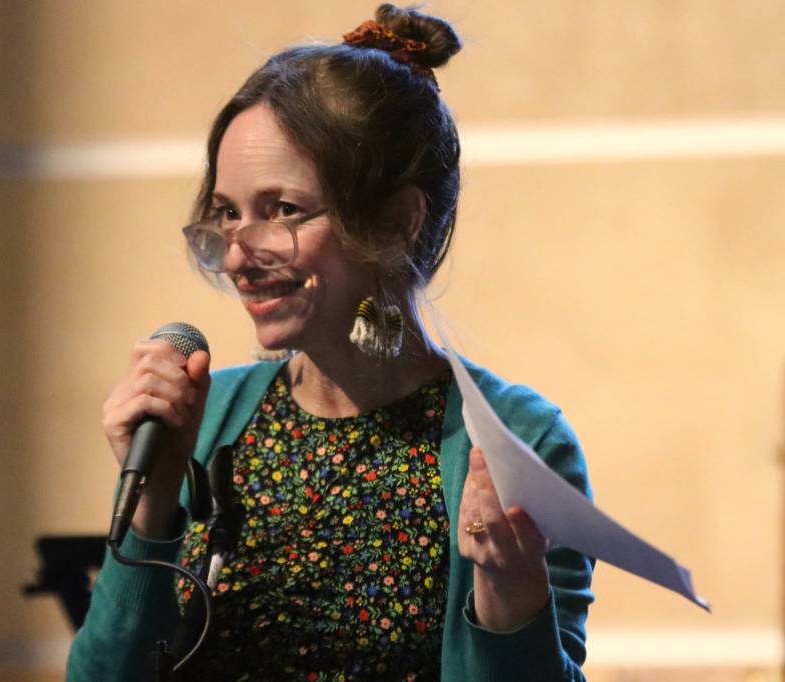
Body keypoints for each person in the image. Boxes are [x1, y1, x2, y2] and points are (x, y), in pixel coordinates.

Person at [67, 4, 594, 680]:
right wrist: (153, 503)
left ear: (396, 221)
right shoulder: (203, 422)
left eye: (281, 210)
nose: (237, 255)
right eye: (228, 214)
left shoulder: (518, 442)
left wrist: (511, 606)